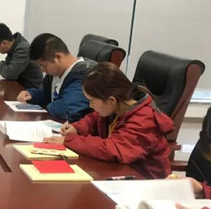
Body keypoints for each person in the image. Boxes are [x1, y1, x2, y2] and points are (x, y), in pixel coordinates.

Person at [45, 62, 173, 178]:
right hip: (121, 172)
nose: (91, 106)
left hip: (146, 181)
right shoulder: (117, 107)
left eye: (92, 101)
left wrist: (69, 140)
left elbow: (113, 149)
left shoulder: (144, 120)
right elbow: (94, 118)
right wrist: (76, 128)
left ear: (111, 100)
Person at [16, 33, 94, 121]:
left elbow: (65, 109)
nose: (42, 70)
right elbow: (46, 94)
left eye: (43, 66)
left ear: (58, 57)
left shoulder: (85, 75)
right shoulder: (55, 73)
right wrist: (32, 95)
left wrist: (46, 107)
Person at [0, 23, 42, 89]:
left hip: (30, 90)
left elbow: (10, 74)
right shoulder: (14, 46)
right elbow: (8, 66)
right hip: (18, 86)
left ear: (4, 43)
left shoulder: (23, 49)